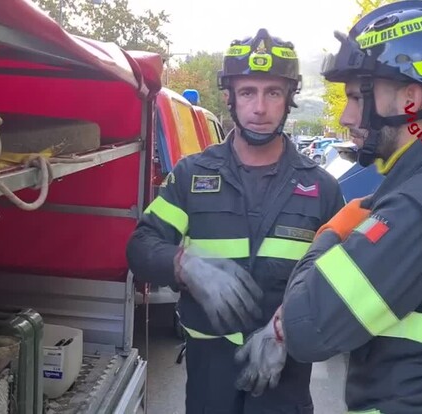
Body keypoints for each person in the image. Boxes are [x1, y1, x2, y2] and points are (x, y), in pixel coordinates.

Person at [233, 2, 422, 413]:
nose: (349, 116)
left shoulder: (415, 207)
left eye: (357, 97)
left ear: (410, 96)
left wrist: (332, 231)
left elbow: (306, 327)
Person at [126, 28, 345, 413]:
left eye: (272, 92)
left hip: (285, 379)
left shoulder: (322, 188)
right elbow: (141, 247)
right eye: (248, 92)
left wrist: (287, 331)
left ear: (290, 98)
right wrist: (184, 264)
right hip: (210, 376)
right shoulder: (192, 175)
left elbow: (339, 282)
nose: (259, 108)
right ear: (229, 97)